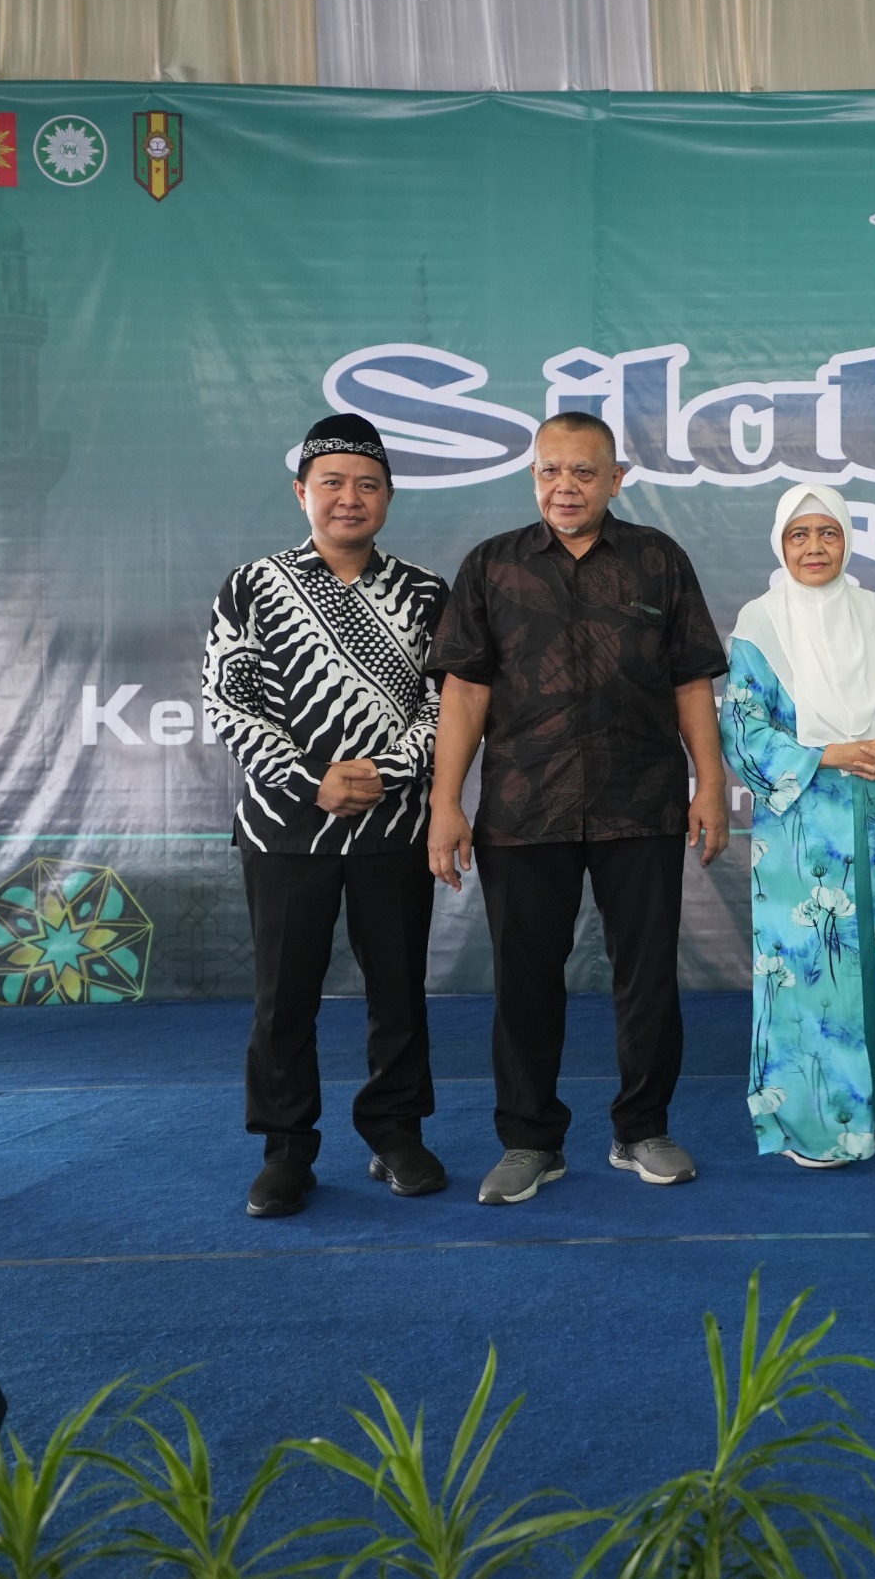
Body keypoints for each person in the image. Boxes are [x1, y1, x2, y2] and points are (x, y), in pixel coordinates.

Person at [427, 411, 731, 1205]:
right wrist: (445, 804)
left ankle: (643, 1129)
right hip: (524, 810)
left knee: (647, 979)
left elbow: (690, 680)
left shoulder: (658, 561)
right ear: (534, 475)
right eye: (550, 471)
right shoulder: (492, 566)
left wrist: (712, 784)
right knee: (525, 981)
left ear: (616, 478)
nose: (565, 487)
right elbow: (463, 691)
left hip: (644, 801)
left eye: (584, 473)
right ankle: (531, 1141)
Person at [202, 414, 447, 1218]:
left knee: (399, 990)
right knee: (285, 995)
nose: (351, 499)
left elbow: (447, 705)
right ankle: (286, 1149)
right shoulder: (251, 585)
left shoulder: (425, 592)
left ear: (388, 496)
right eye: (333, 484)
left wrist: (388, 770)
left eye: (367, 485)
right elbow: (226, 702)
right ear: (302, 492)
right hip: (285, 825)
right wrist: (314, 780)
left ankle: (395, 1132)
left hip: (393, 824)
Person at [720, 485, 875, 1168]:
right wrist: (828, 755)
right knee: (811, 972)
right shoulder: (761, 622)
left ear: (847, 540)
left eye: (828, 533)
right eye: (800, 535)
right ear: (781, 543)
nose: (815, 547)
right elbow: (744, 730)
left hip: (872, 824)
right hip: (800, 829)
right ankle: (816, 1125)